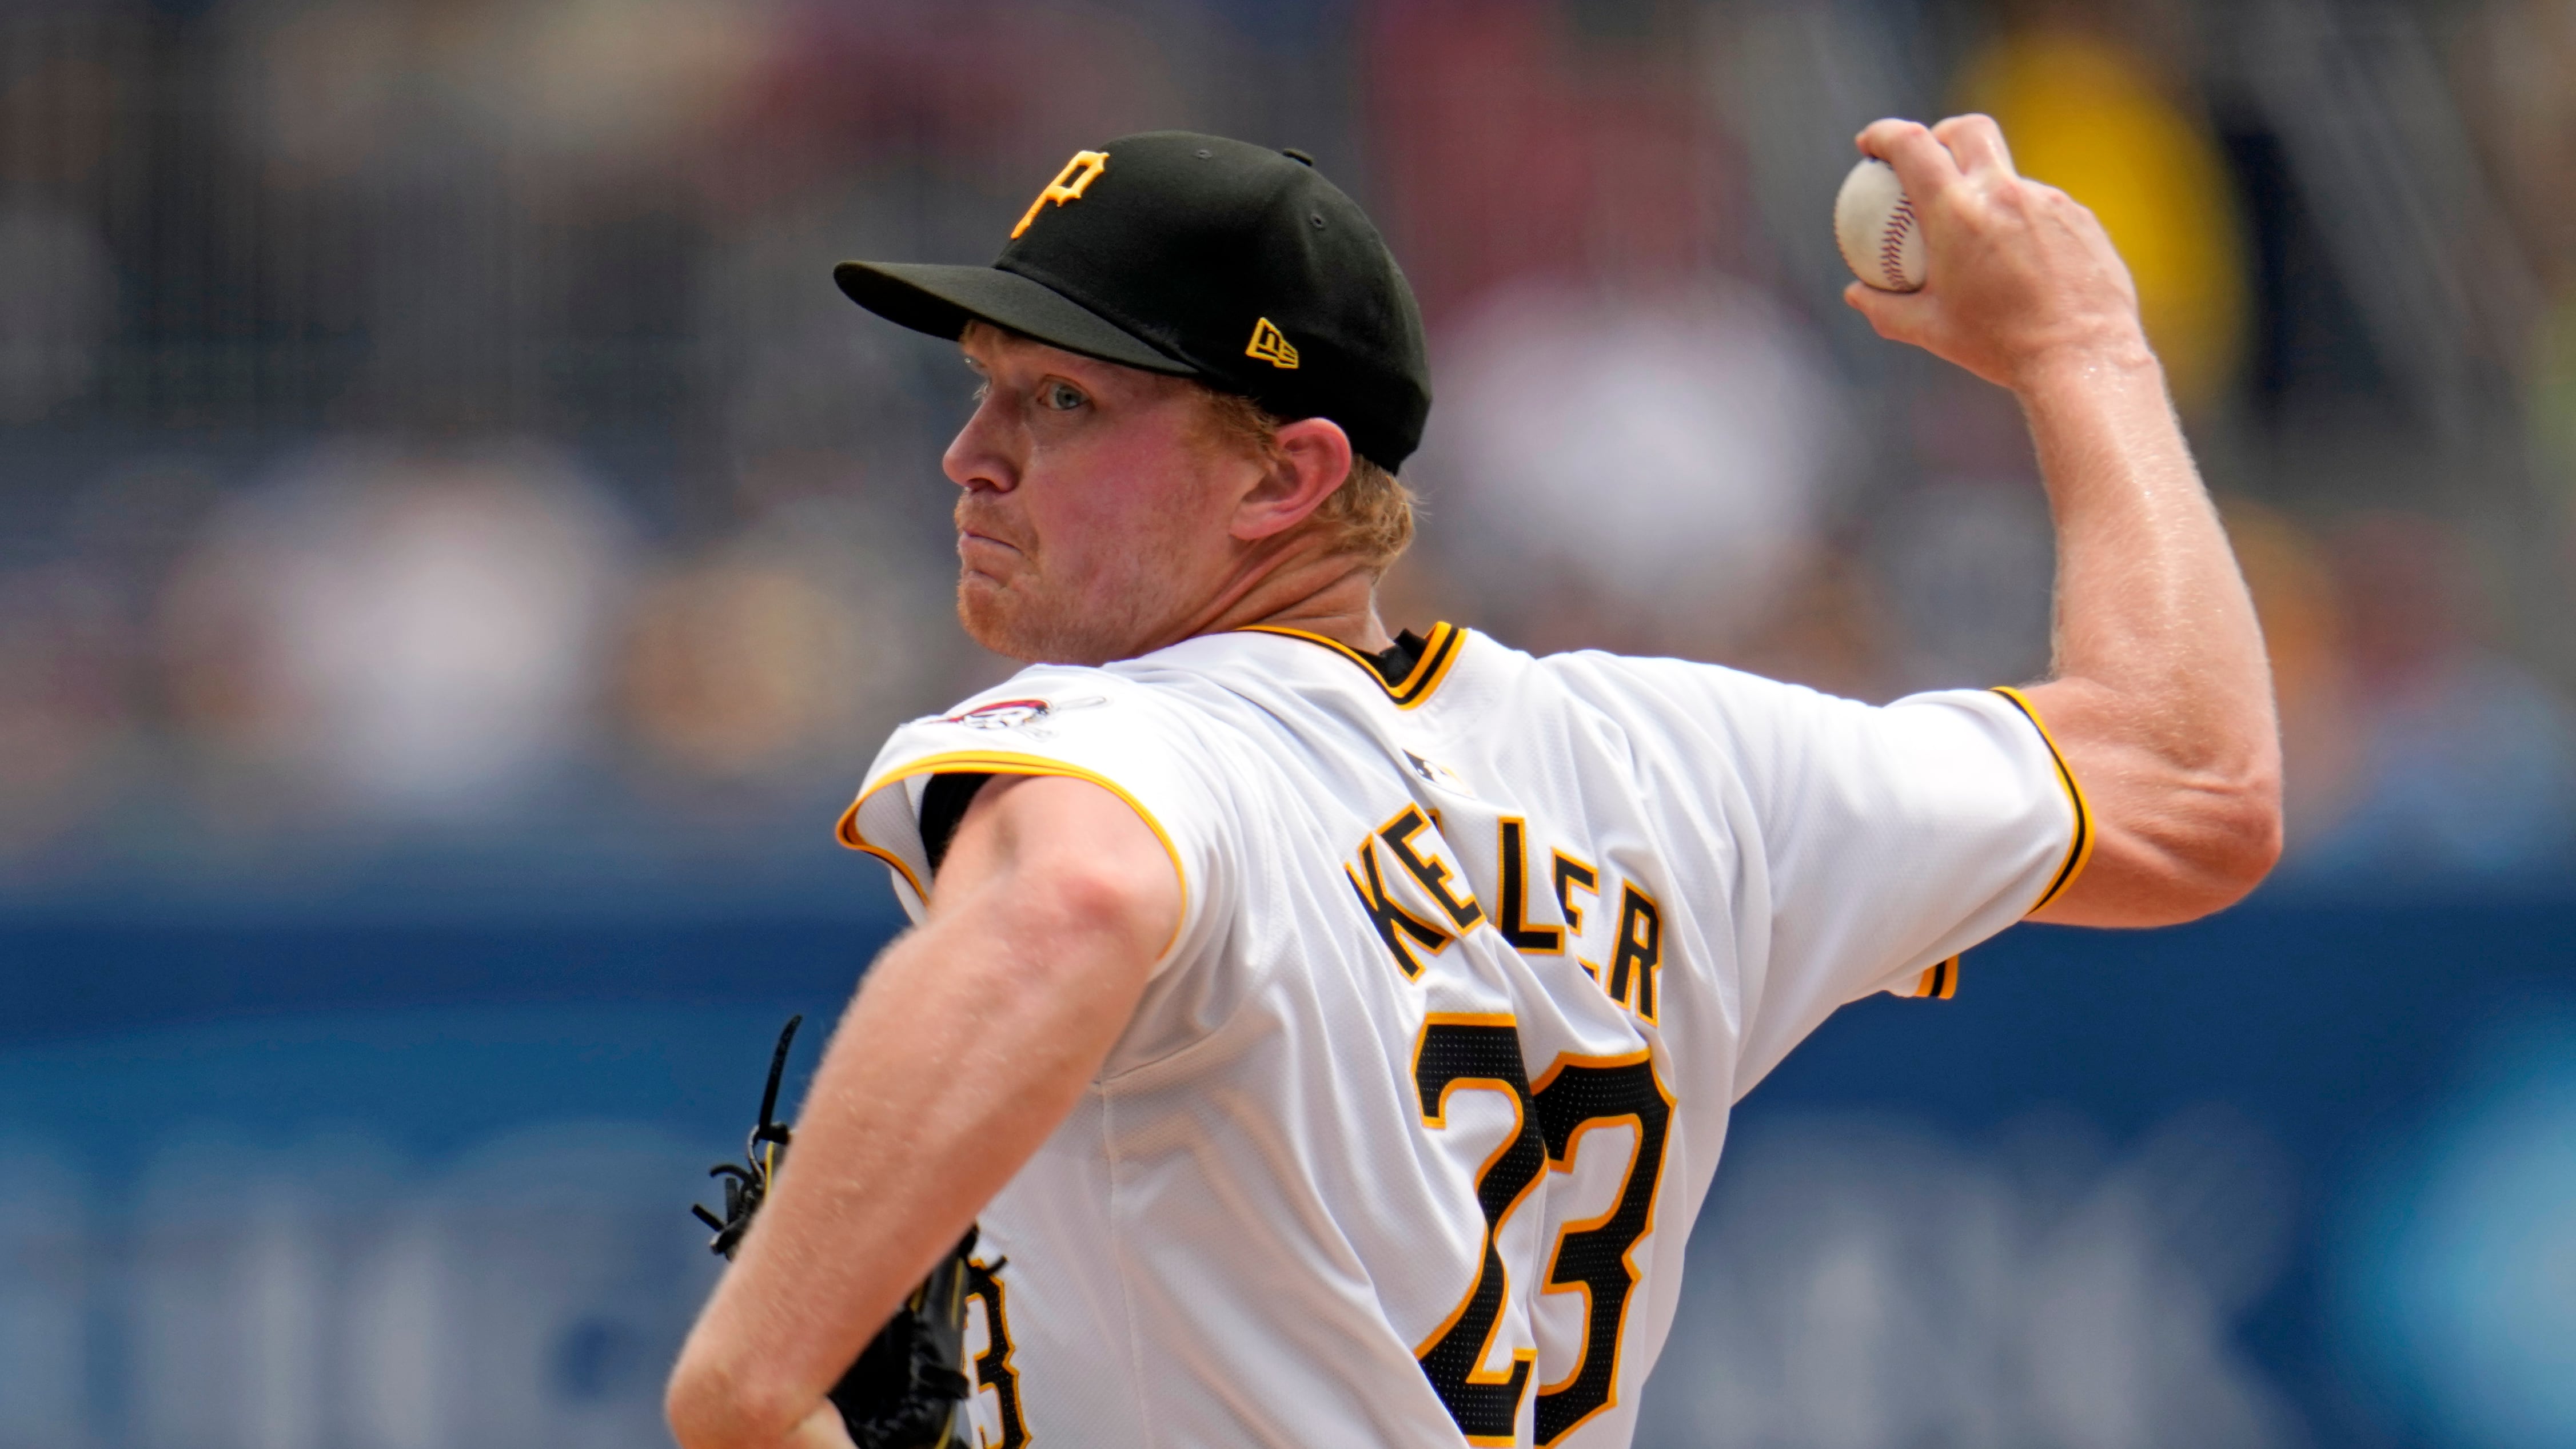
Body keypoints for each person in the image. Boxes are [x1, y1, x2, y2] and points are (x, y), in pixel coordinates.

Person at [664, 121, 2280, 1449]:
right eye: (985, 381)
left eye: (1062, 400)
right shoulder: (1682, 769)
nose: (972, 453)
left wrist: (757, 1370)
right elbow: (2189, 788)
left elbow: (1076, 893)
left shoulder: (1121, 739)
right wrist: (2083, 350)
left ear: (1287, 472)